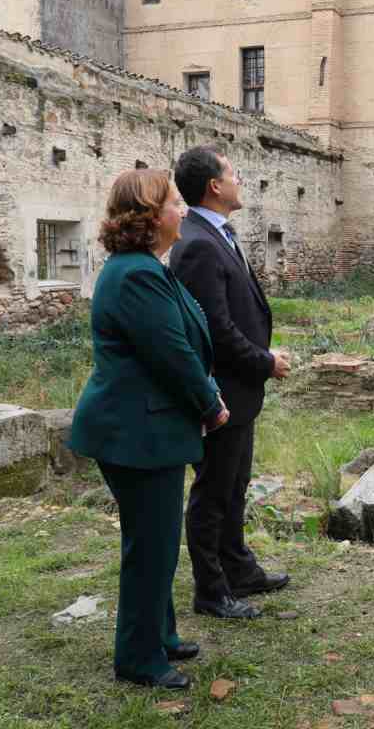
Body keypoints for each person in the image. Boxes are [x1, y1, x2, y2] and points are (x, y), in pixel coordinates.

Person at [69, 169, 229, 690]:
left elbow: (181, 339)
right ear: (149, 215)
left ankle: (160, 635)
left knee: (155, 540)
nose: (183, 211)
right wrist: (210, 404)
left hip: (145, 428)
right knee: (151, 546)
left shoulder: (143, 268)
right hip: (136, 433)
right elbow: (172, 355)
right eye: (175, 203)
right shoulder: (136, 274)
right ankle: (139, 657)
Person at [170, 145, 291, 620]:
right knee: (213, 492)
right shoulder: (198, 242)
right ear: (214, 187)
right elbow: (214, 329)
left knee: (235, 485)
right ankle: (211, 590)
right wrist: (265, 361)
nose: (239, 179)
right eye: (233, 173)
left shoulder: (216, 232)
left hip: (241, 391)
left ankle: (238, 566)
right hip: (222, 390)